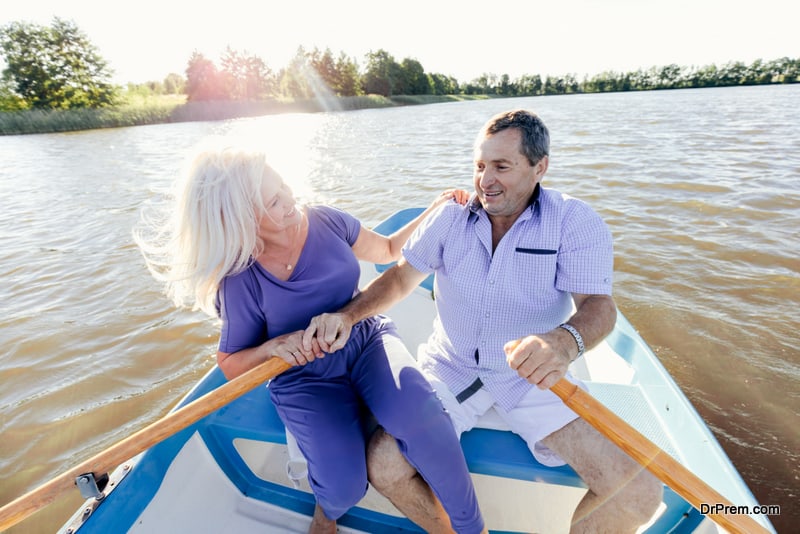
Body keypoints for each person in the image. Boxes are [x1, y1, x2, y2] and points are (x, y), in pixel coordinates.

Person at [303, 110, 664, 533]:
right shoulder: (449, 218)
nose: (485, 180)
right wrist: (347, 316)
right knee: (383, 465)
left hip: (533, 376)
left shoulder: (575, 221)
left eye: (501, 166)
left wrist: (563, 344)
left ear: (539, 166)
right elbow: (400, 277)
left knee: (639, 492)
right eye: (479, 166)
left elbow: (599, 306)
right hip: (451, 368)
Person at [134, 140, 486, 534]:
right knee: (343, 485)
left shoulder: (325, 220)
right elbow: (231, 363)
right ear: (242, 219)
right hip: (303, 376)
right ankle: (327, 512)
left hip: (365, 340)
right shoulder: (240, 281)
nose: (289, 197)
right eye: (272, 201)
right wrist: (272, 347)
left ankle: (474, 529)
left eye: (282, 184)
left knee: (421, 415)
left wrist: (434, 210)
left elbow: (387, 250)